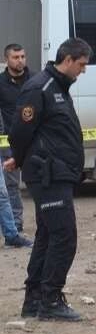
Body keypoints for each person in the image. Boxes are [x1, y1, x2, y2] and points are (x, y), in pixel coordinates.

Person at [10, 38, 91, 321]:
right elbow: (19, 132)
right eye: (81, 64)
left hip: (57, 171)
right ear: (68, 60)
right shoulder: (40, 88)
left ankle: (34, 300)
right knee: (65, 236)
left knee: (47, 235)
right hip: (48, 174)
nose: (83, 70)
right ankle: (51, 300)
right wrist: (22, 159)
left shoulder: (58, 87)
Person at [0, 43, 30, 231]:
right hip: (9, 142)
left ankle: (45, 224)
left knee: (39, 183)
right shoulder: (1, 83)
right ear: (6, 60)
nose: (20, 61)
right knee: (11, 186)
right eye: (16, 57)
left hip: (34, 141)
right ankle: (16, 225)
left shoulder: (35, 79)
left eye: (22, 57)